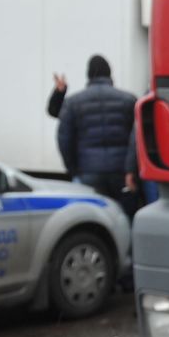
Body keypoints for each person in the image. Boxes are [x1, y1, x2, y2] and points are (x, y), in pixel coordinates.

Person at [56, 55, 139, 217]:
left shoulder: (73, 102)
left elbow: (64, 139)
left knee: (92, 218)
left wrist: (73, 169)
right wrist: (131, 169)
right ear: (109, 73)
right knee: (125, 216)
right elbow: (136, 139)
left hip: (88, 171)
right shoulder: (129, 100)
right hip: (120, 172)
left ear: (88, 75)